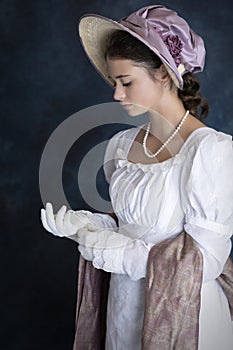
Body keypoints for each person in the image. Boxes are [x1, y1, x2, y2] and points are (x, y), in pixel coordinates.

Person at [41, 5, 233, 350]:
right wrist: (88, 226)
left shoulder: (210, 151)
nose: (116, 94)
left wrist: (120, 254)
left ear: (163, 73)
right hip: (123, 307)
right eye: (114, 82)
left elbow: (205, 261)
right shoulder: (121, 145)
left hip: (185, 320)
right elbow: (134, 224)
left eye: (127, 82)